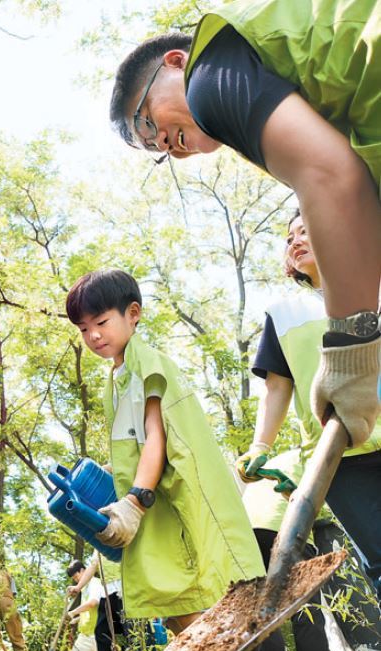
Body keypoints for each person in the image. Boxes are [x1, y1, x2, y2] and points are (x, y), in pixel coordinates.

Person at [109, 0, 381, 451]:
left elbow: (331, 177)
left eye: (147, 122)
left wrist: (350, 349)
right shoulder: (267, 79)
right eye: (152, 149)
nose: (163, 145)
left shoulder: (208, 77)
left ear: (176, 63)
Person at [66, 269, 267, 651]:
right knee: (177, 611)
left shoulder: (146, 363)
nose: (93, 335)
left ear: (132, 314)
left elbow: (156, 437)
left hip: (171, 504)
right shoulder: (117, 375)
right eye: (83, 329)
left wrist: (136, 499)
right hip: (153, 506)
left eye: (101, 322)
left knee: (198, 611)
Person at [237, 210, 381, 597]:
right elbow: (276, 388)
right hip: (341, 457)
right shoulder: (283, 314)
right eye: (289, 238)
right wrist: (259, 447)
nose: (295, 241)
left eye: (305, 231)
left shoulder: (374, 286)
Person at [240, 458, 351, 651]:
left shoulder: (266, 465)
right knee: (306, 612)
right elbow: (324, 510)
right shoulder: (313, 458)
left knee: (262, 613)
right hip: (288, 528)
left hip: (248, 533)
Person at [63, 559, 101, 651]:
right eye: (73, 578)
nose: (75, 580)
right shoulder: (85, 589)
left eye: (76, 576)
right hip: (86, 634)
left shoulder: (95, 583)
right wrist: (77, 619)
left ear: (83, 570)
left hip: (98, 633)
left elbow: (93, 602)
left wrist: (74, 612)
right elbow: (90, 610)